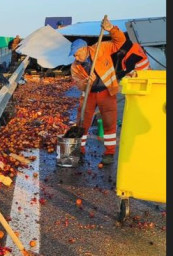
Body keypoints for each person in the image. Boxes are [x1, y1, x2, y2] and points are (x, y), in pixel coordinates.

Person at [69, 16, 125, 165]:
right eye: (74, 54)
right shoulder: (75, 66)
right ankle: (79, 151)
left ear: (84, 49)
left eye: (77, 53)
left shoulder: (101, 48)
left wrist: (111, 29)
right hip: (89, 94)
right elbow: (79, 84)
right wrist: (87, 83)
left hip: (107, 92)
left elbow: (120, 42)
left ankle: (109, 153)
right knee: (82, 123)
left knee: (109, 122)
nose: (75, 56)